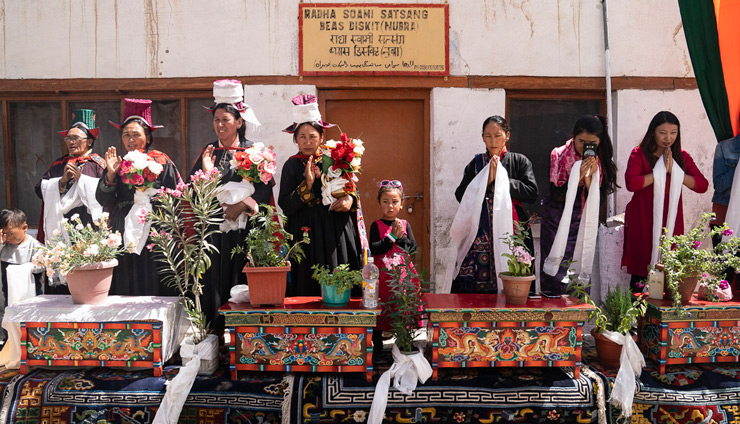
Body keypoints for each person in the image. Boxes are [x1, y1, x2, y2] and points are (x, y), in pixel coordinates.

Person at [189, 79, 274, 335]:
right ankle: (214, 335)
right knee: (214, 280)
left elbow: (265, 186)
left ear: (239, 121)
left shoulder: (254, 151)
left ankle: (247, 337)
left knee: (245, 278)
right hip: (216, 228)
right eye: (216, 120)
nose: (220, 125)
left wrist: (241, 206)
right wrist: (206, 174)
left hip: (246, 228)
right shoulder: (208, 153)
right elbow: (193, 191)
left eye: (226, 119)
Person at [278, 94, 363, 297]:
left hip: (336, 229)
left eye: (313, 136)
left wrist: (350, 200)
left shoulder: (336, 159)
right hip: (306, 234)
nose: (307, 142)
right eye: (302, 137)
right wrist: (307, 185)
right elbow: (285, 205)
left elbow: (352, 189)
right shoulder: (291, 165)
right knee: (308, 283)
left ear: (322, 137)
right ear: (295, 139)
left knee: (340, 276)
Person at [95, 99, 182, 296]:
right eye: (126, 135)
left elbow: (176, 195)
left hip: (155, 225)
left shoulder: (162, 160)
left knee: (154, 274)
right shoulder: (117, 163)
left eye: (136, 135)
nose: (131, 140)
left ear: (148, 138)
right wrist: (109, 175)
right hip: (122, 225)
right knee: (125, 274)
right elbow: (103, 200)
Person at [450, 115, 538, 294]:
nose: (493, 141)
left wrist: (501, 180)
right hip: (479, 232)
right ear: (482, 137)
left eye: (498, 135)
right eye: (488, 136)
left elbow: (531, 192)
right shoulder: (476, 164)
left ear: (507, 135)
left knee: (515, 271)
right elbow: (460, 194)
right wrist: (483, 182)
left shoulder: (519, 161)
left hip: (513, 228)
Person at [622, 111, 708, 290]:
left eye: (673, 132)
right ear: (653, 132)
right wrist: (658, 173)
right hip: (643, 219)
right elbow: (632, 183)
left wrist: (675, 172)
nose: (668, 137)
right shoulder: (639, 154)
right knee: (641, 271)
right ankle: (639, 317)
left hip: (671, 221)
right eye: (662, 132)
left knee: (669, 270)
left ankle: (663, 316)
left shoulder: (681, 156)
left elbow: (702, 185)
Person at [540, 115, 618, 297]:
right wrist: (577, 175)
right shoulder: (559, 154)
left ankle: (578, 319)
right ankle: (552, 314)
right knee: (555, 269)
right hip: (557, 221)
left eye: (592, 142)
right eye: (581, 141)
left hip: (583, 221)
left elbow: (597, 198)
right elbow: (556, 193)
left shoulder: (601, 160)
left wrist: (589, 177)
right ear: (573, 136)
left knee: (579, 267)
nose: (585, 146)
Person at [34, 109, 106, 293]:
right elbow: (39, 189)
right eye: (68, 138)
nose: (71, 142)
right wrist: (61, 182)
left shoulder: (98, 164)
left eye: (76, 138)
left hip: (87, 227)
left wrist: (83, 181)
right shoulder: (58, 164)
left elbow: (106, 194)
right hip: (60, 226)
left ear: (89, 141)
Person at [369, 180, 418, 356]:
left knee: (402, 306)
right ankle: (378, 345)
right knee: (381, 306)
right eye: (386, 201)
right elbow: (375, 248)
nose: (390, 206)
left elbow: (412, 248)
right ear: (379, 203)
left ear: (402, 204)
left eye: (395, 202)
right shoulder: (376, 225)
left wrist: (399, 237)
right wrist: (391, 236)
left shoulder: (405, 225)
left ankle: (404, 341)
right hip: (383, 276)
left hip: (403, 276)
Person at [0, 209, 43, 325]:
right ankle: (9, 339)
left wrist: (29, 267)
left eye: (10, 234)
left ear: (24, 228)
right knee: (9, 316)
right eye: (4, 234)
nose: (7, 237)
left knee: (32, 317)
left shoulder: (34, 245)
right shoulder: (4, 246)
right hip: (9, 293)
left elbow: (43, 263)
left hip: (32, 292)